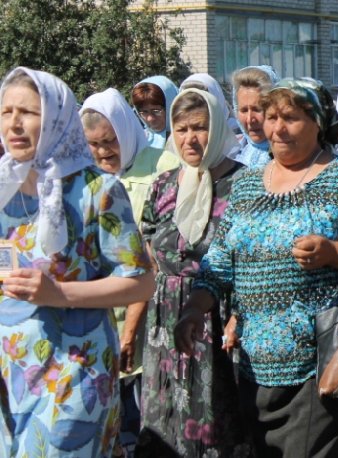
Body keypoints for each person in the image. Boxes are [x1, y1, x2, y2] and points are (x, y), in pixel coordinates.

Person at [175, 78, 338, 457]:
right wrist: (195, 308)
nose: (277, 128)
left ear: (317, 121)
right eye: (271, 117)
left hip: (320, 363)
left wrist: (334, 252)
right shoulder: (247, 185)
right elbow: (220, 260)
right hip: (252, 363)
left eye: (290, 118)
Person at [0, 67, 154, 456]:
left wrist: (59, 293)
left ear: (57, 119)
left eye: (28, 112)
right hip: (10, 371)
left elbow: (141, 281)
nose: (14, 124)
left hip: (74, 373)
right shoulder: (2, 189)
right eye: (6, 112)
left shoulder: (97, 190)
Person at [135, 88, 249, 456]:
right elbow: (148, 240)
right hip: (166, 316)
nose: (190, 138)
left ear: (217, 129)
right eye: (181, 129)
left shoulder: (245, 185)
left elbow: (251, 256)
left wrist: (237, 315)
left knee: (216, 418)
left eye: (200, 128)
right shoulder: (164, 185)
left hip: (218, 315)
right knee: (164, 417)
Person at [79, 87, 181, 451]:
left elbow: (155, 254)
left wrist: (131, 329)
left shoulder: (162, 166)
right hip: (98, 320)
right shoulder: (82, 177)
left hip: (152, 310)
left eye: (110, 141)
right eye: (93, 144)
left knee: (144, 422)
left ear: (124, 130)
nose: (103, 151)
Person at [232, 65, 279, 169]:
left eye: (258, 109)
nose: (250, 119)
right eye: (244, 110)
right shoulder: (235, 154)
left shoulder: (293, 158)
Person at [132, 75, 179, 149]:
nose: (150, 119)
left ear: (171, 106)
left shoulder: (186, 141)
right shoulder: (137, 142)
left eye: (156, 111)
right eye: (144, 112)